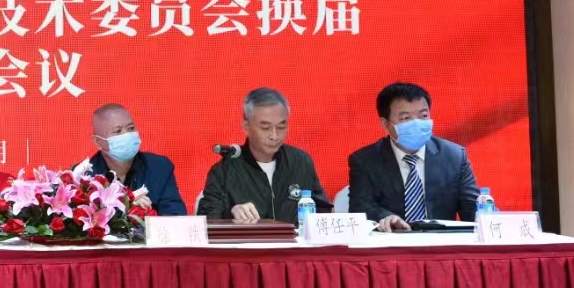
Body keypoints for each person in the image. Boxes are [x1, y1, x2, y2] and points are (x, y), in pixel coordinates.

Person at [347, 81, 480, 232]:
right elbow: (360, 207)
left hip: (441, 241)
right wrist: (386, 217)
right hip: (393, 240)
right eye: (405, 118)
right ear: (385, 124)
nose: (417, 123)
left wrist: (489, 216)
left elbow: (472, 207)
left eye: (423, 116)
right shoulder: (365, 161)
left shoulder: (454, 156)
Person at [199, 87, 332, 223]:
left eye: (281, 127)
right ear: (246, 126)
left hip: (293, 237)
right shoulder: (224, 170)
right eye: (265, 128)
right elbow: (207, 220)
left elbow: (323, 211)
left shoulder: (300, 162)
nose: (274, 136)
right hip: (249, 237)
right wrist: (231, 213)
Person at [73, 103, 186, 215]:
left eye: (131, 128)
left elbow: (175, 217)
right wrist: (126, 206)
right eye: (118, 131)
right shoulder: (82, 176)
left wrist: (146, 214)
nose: (127, 134)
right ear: (98, 142)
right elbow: (79, 221)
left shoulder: (159, 167)